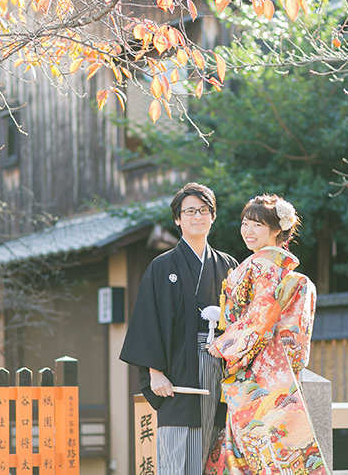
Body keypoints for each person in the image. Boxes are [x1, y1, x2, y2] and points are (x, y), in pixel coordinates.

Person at [204, 194, 328, 475]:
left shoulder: (262, 265)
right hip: (273, 364)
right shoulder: (280, 270)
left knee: (248, 447)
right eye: (245, 223)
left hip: (255, 365)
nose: (248, 231)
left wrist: (223, 344)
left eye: (257, 225)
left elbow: (260, 317)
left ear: (276, 231)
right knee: (264, 450)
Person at [120, 183, 239, 475]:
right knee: (177, 454)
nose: (197, 216)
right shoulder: (161, 267)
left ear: (213, 216)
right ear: (177, 219)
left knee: (215, 450)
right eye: (190, 211)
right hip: (177, 370)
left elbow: (242, 321)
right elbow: (148, 320)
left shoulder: (228, 265)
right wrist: (154, 371)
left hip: (220, 368)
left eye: (204, 210)